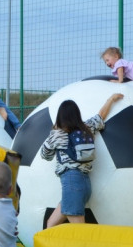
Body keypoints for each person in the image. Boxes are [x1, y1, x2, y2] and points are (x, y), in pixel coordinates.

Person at [40, 94, 123, 228]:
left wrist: (54, 131)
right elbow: (100, 116)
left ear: (60, 117)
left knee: (79, 230)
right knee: (51, 224)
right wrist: (111, 100)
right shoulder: (87, 127)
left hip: (71, 182)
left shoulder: (57, 134)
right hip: (84, 183)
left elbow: (45, 155)